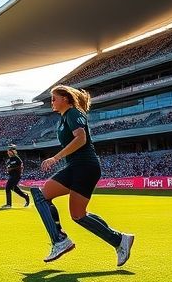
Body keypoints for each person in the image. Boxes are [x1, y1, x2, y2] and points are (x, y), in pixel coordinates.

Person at [30, 85, 134, 266]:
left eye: (54, 98)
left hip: (86, 167)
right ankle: (61, 239)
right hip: (75, 167)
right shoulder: (62, 119)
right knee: (42, 195)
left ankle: (117, 240)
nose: (51, 102)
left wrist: (56, 158)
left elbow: (81, 138)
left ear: (65, 99)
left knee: (77, 215)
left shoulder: (73, 113)